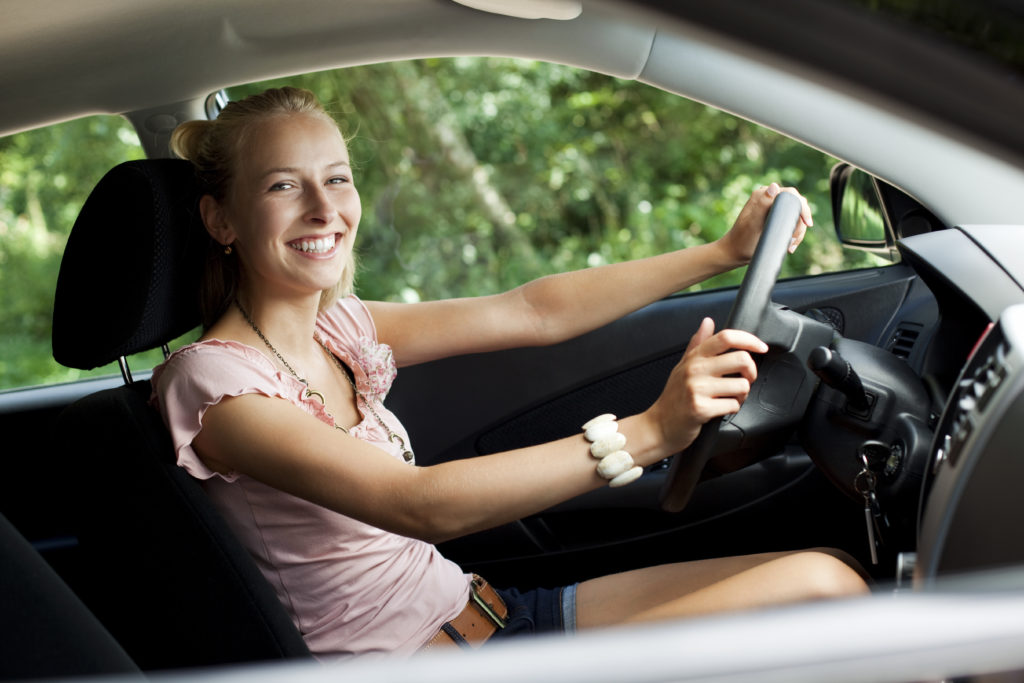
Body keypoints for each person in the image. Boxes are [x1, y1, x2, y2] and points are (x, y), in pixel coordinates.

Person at [151, 86, 868, 661]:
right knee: (823, 592)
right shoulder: (215, 387)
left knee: (831, 569)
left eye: (337, 178)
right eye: (284, 185)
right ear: (222, 221)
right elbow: (417, 503)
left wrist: (720, 251)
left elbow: (531, 311)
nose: (325, 208)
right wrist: (648, 433)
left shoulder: (338, 324)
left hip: (495, 615)